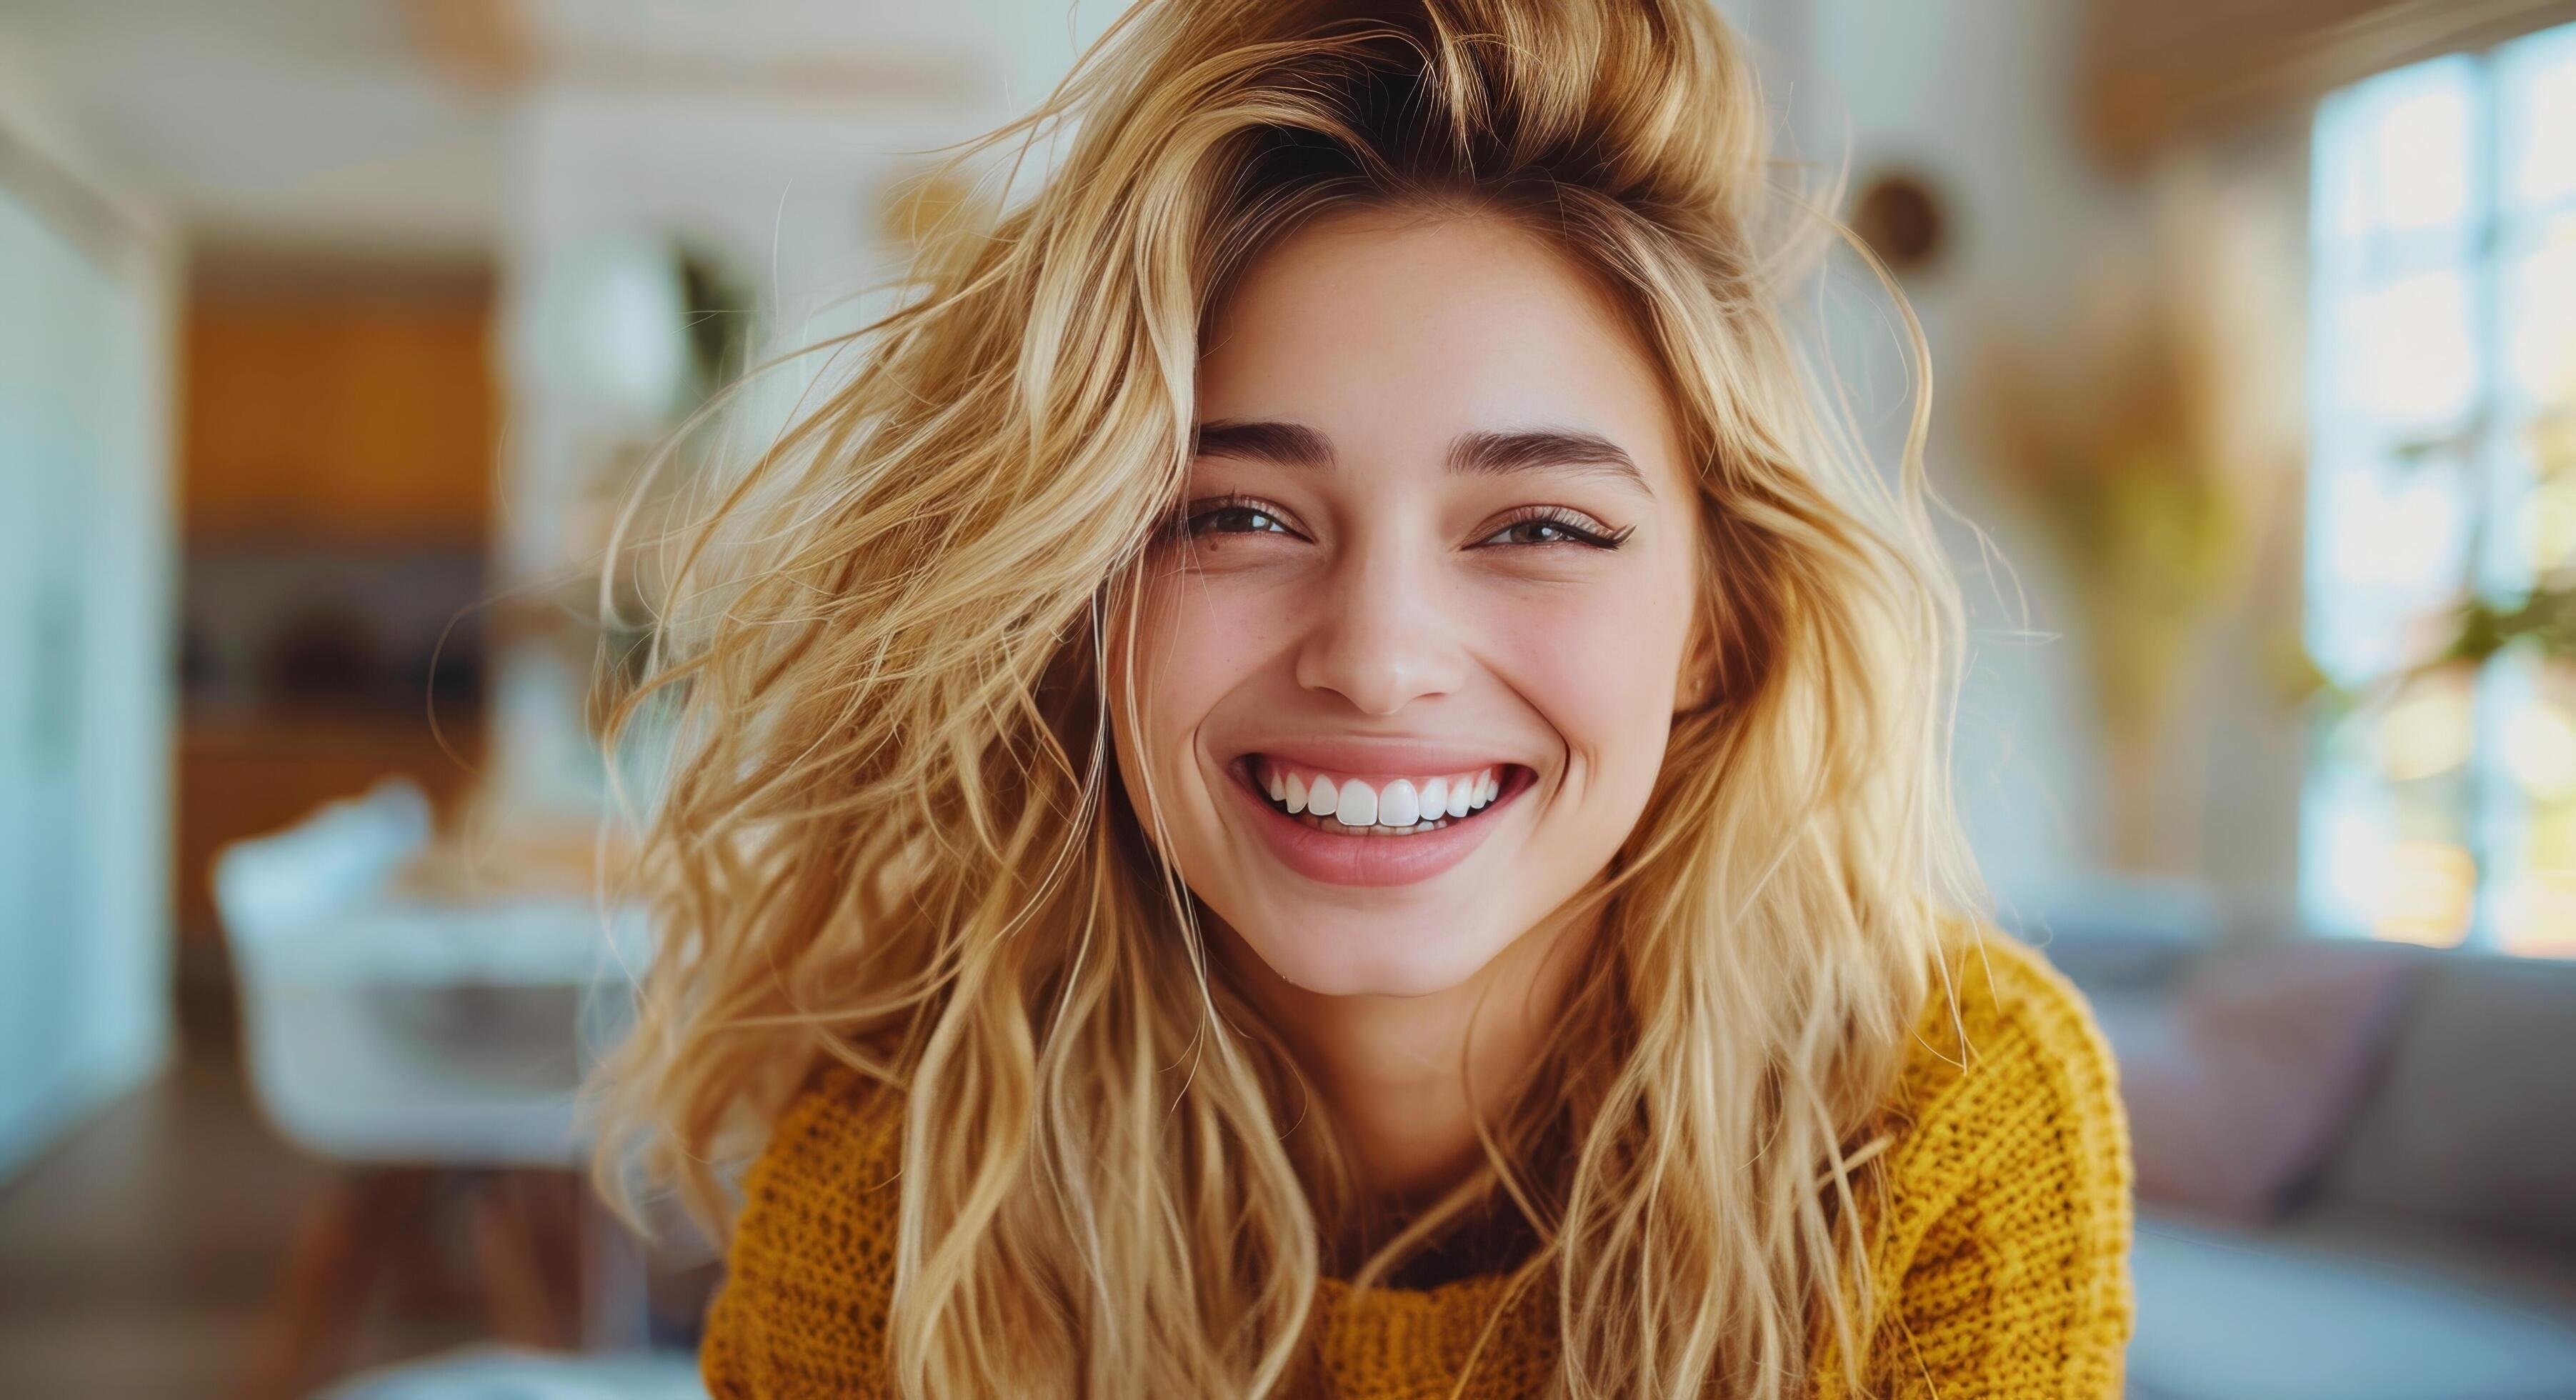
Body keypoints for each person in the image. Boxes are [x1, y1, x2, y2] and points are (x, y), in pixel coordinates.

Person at [592, 0, 2135, 1394]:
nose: (1380, 655)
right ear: (1078, 601)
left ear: (1717, 629)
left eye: (1539, 527)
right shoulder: (904, 1170)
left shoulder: (1940, 1127)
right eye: (1236, 515)